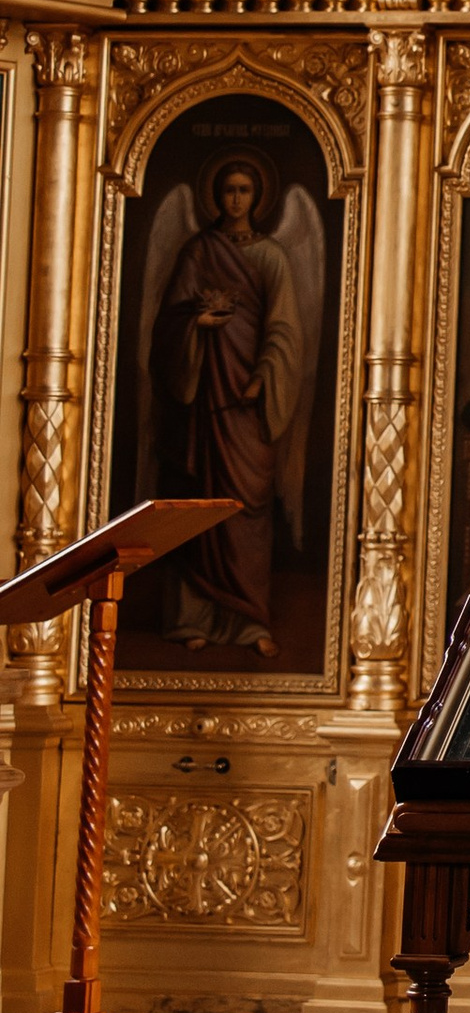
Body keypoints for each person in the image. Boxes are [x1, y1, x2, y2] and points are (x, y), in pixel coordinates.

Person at [145, 154, 310, 655]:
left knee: (245, 510)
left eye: (244, 190)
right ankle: (192, 617)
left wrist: (262, 377)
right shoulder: (199, 251)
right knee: (199, 504)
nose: (236, 199)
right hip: (203, 403)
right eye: (228, 190)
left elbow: (284, 330)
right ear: (216, 195)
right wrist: (198, 326)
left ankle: (248, 622)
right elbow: (168, 324)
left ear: (257, 196)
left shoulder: (272, 257)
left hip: (246, 404)